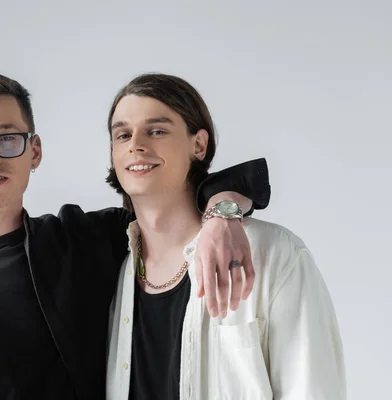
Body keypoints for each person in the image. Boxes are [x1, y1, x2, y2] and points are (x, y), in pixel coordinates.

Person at [0, 64, 271, 399]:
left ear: (35, 151)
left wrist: (223, 214)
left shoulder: (86, 241)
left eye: (7, 138)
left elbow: (171, 196)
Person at [105, 73, 346, 399]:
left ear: (199, 144)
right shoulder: (115, 269)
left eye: (157, 130)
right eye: (122, 135)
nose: (136, 144)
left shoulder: (272, 254)